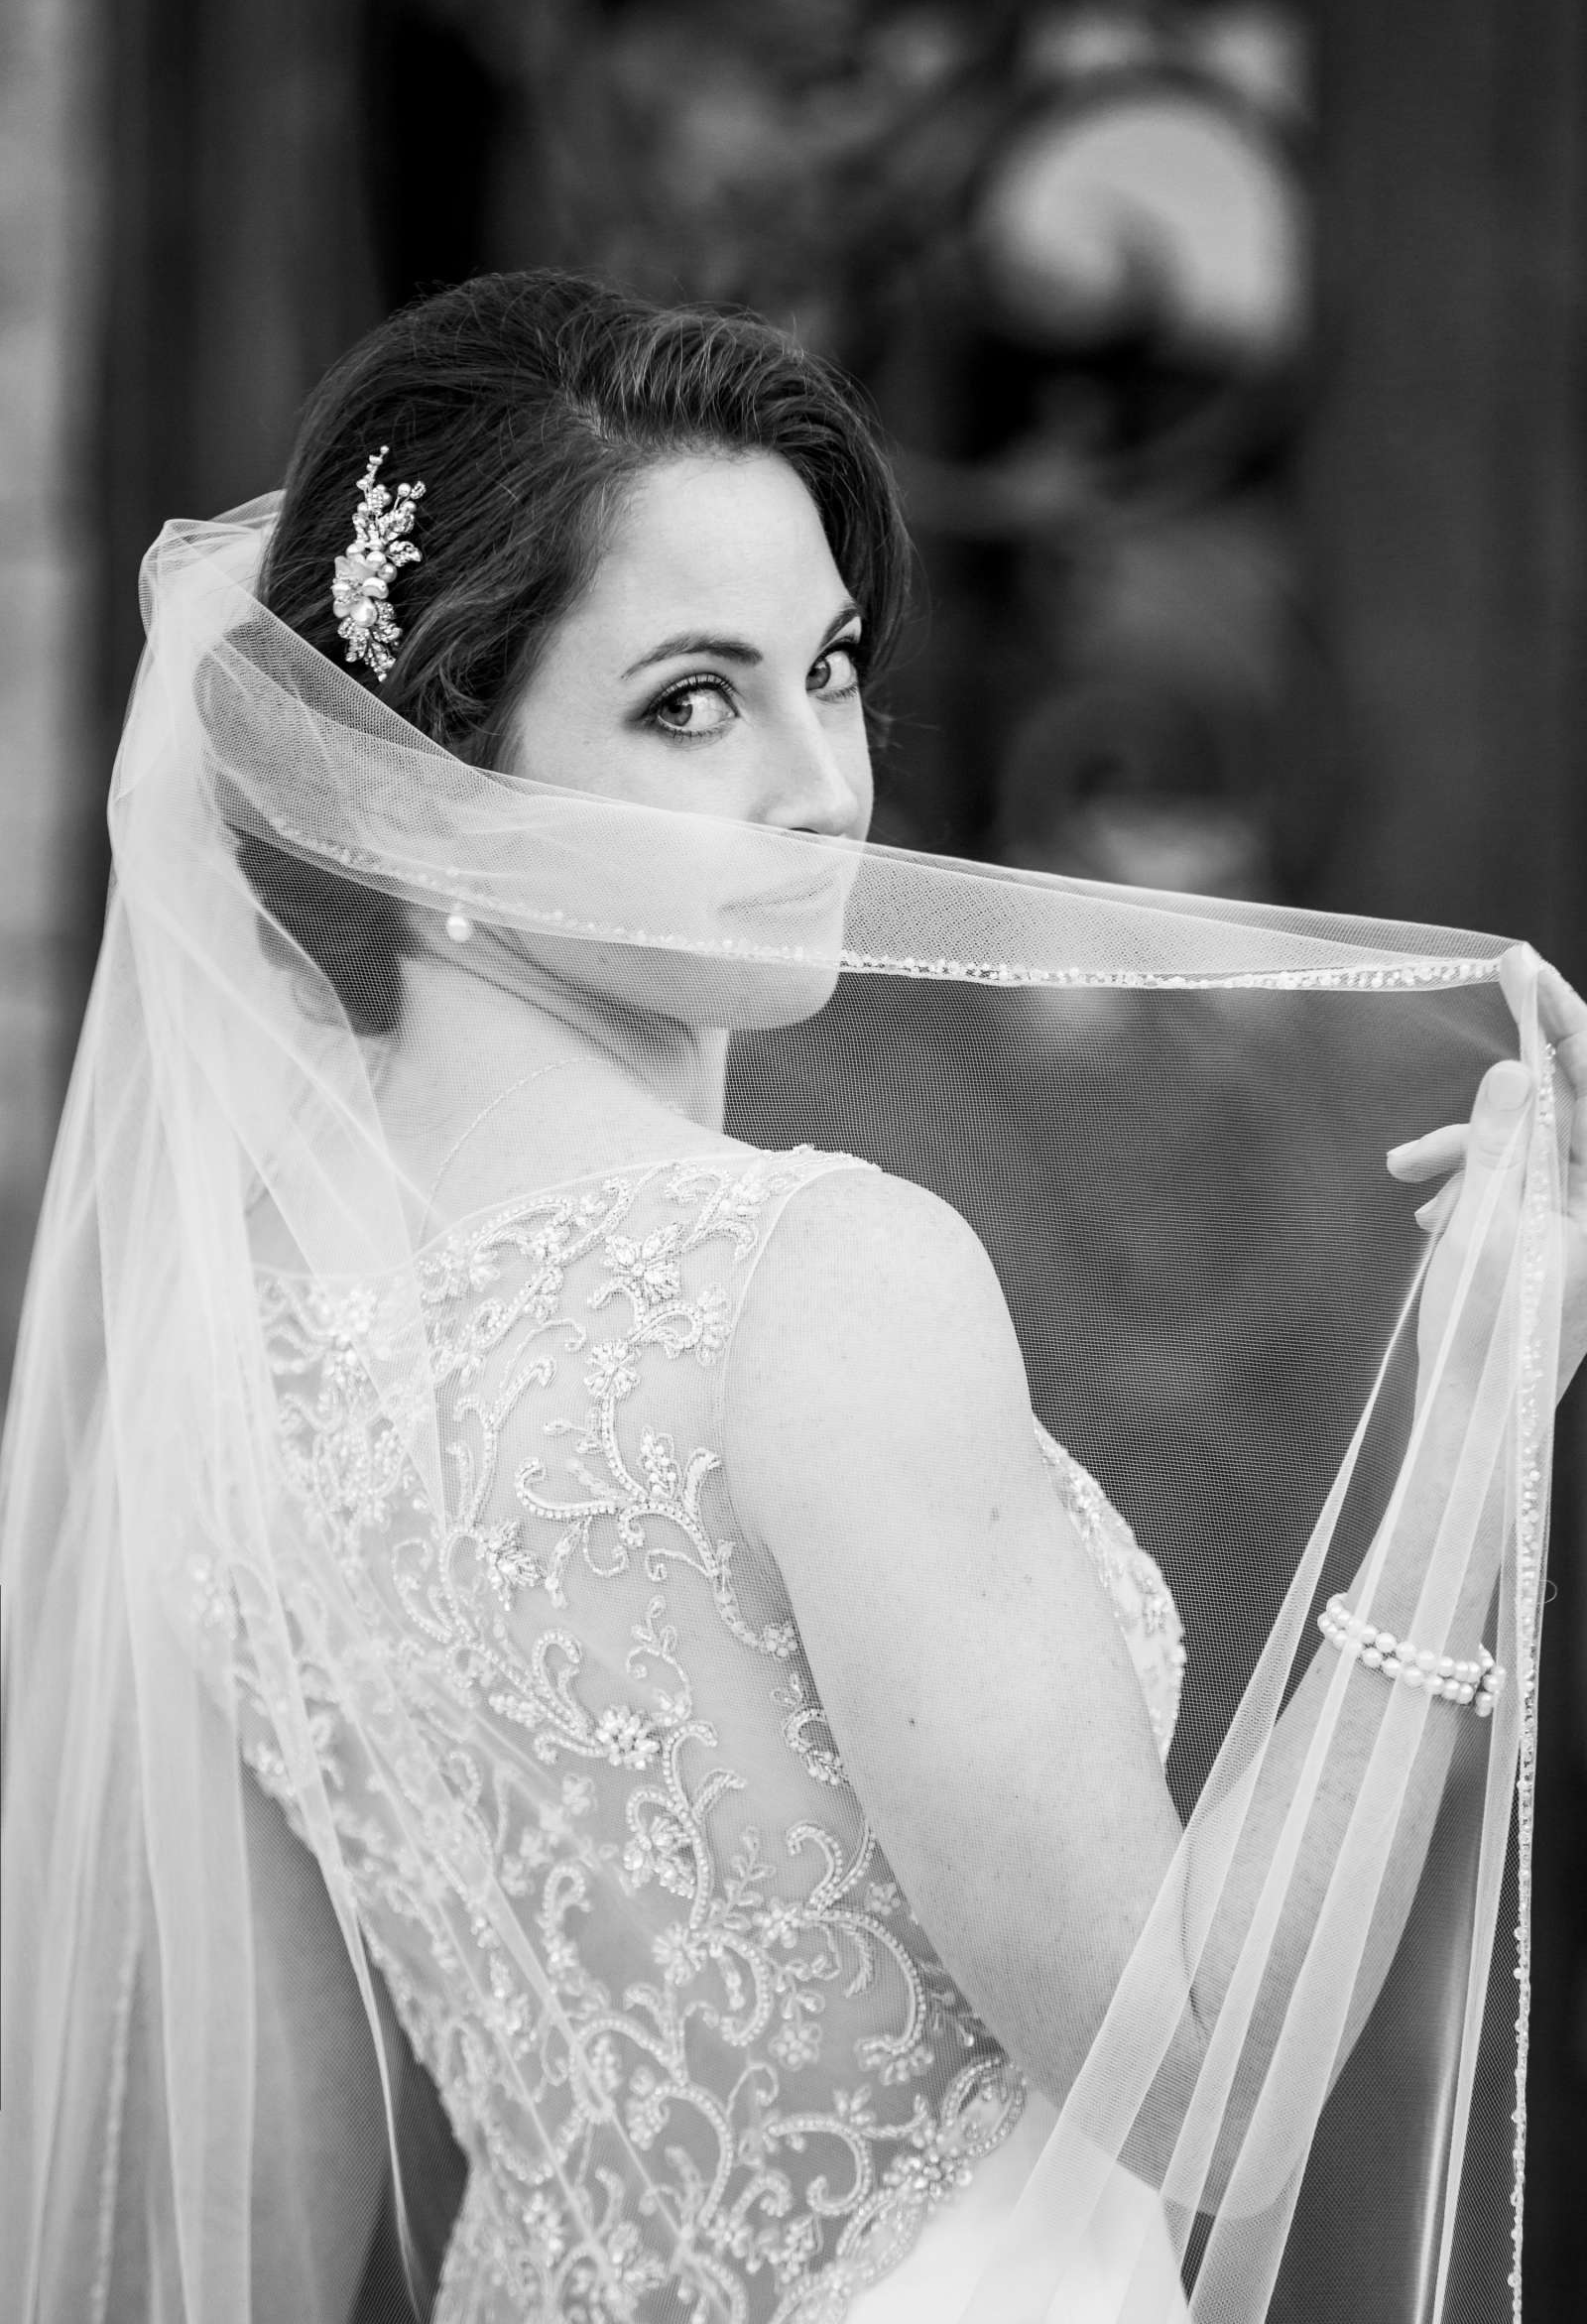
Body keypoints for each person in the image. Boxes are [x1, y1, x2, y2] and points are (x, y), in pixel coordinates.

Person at [2, 270, 1582, 2324]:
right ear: (433, 770)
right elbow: (1198, 2083)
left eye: (827, 670)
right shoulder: (817, 1280)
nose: (820, 787)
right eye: (689, 702)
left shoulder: (232, 1335)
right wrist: (1472, 1401)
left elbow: (264, 2228)